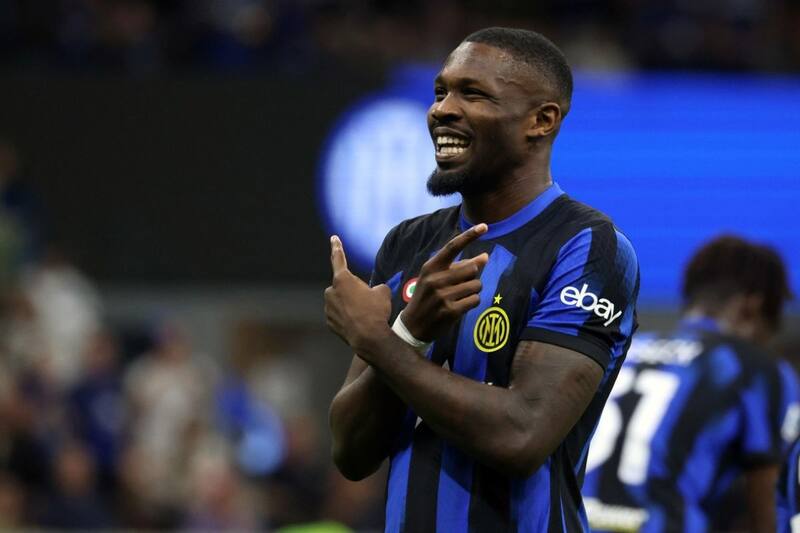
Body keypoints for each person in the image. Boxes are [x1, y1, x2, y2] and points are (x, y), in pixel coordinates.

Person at [325, 27, 640, 532]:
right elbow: (351, 452)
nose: (442, 110)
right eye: (440, 91)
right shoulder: (407, 244)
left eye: (472, 94)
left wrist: (381, 343)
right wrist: (408, 335)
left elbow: (523, 436)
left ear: (541, 121)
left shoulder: (587, 246)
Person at [582, 235, 800, 533]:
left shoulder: (624, 350)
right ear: (752, 307)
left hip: (574, 522)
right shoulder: (756, 368)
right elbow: (769, 506)